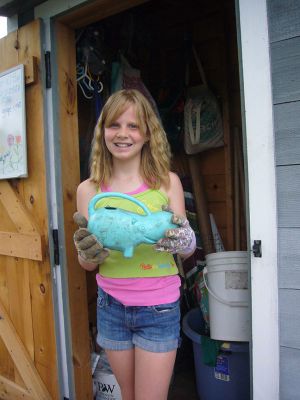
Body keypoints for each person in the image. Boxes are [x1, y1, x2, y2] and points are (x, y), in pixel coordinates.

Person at [73, 89, 196, 400]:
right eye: (114, 125)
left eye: (133, 126)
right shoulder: (89, 190)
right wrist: (85, 251)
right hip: (110, 306)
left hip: (159, 307)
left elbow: (187, 249)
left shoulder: (167, 183)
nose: (123, 134)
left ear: (147, 134)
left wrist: (183, 237)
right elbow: (89, 265)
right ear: (102, 131)